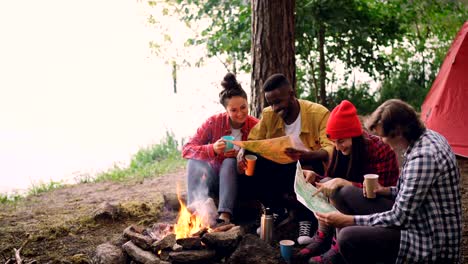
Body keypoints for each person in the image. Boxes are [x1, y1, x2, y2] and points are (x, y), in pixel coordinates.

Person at [314, 99, 462, 264]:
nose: (382, 140)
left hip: (429, 240)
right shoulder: (427, 137)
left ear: (398, 132)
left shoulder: (423, 158)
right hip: (420, 217)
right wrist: (385, 190)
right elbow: (412, 193)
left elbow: (400, 218)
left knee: (347, 236)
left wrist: (348, 220)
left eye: (383, 135)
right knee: (345, 192)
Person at [298, 100, 399, 263]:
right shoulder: (339, 151)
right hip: (352, 203)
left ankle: (337, 248)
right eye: (334, 142)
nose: (337, 147)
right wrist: (313, 177)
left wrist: (348, 184)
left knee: (341, 190)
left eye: (341, 141)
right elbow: (330, 179)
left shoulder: (380, 149)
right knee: (327, 183)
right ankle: (323, 237)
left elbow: (385, 192)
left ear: (354, 135)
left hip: (382, 208)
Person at [239, 73, 334, 244]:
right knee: (250, 161)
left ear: (291, 94)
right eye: (271, 103)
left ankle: (307, 219)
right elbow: (254, 141)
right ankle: (276, 209)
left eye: (278, 102)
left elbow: (330, 148)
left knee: (309, 165)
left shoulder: (318, 113)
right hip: (282, 168)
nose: (274, 108)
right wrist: (243, 150)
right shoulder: (269, 115)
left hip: (310, 167)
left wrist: (307, 154)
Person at [182, 73, 258, 224]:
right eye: (233, 110)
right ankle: (196, 208)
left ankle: (225, 215)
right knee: (194, 162)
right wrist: (213, 149)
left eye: (243, 107)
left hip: (242, 181)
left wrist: (243, 158)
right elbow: (187, 149)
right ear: (226, 110)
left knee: (230, 161)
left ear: (248, 103)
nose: (240, 113)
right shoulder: (213, 122)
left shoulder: (256, 126)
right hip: (214, 180)